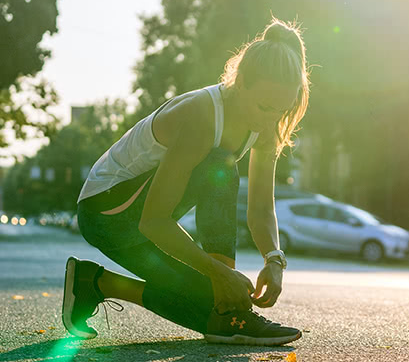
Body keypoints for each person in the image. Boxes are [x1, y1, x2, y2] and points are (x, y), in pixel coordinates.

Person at [62, 17, 310, 346]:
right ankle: (227, 310)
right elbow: (154, 221)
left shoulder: (266, 122)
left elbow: (262, 207)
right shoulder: (202, 116)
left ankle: (94, 283)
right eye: (265, 106)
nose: (271, 119)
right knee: (220, 163)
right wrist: (220, 274)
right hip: (106, 213)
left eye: (281, 109)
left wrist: (274, 260)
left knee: (209, 300)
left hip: (143, 221)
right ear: (241, 83)